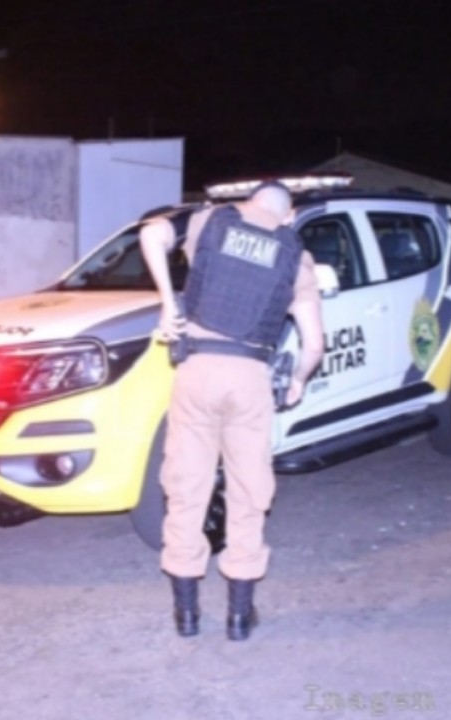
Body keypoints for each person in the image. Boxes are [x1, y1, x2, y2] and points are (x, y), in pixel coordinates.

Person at [140, 181, 324, 641]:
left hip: (197, 370)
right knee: (248, 491)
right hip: (250, 378)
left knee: (186, 488)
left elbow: (151, 234)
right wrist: (299, 379)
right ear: (287, 215)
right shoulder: (295, 256)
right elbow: (314, 344)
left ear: (250, 202)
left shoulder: (209, 221)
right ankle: (240, 617)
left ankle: (186, 616)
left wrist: (168, 304)